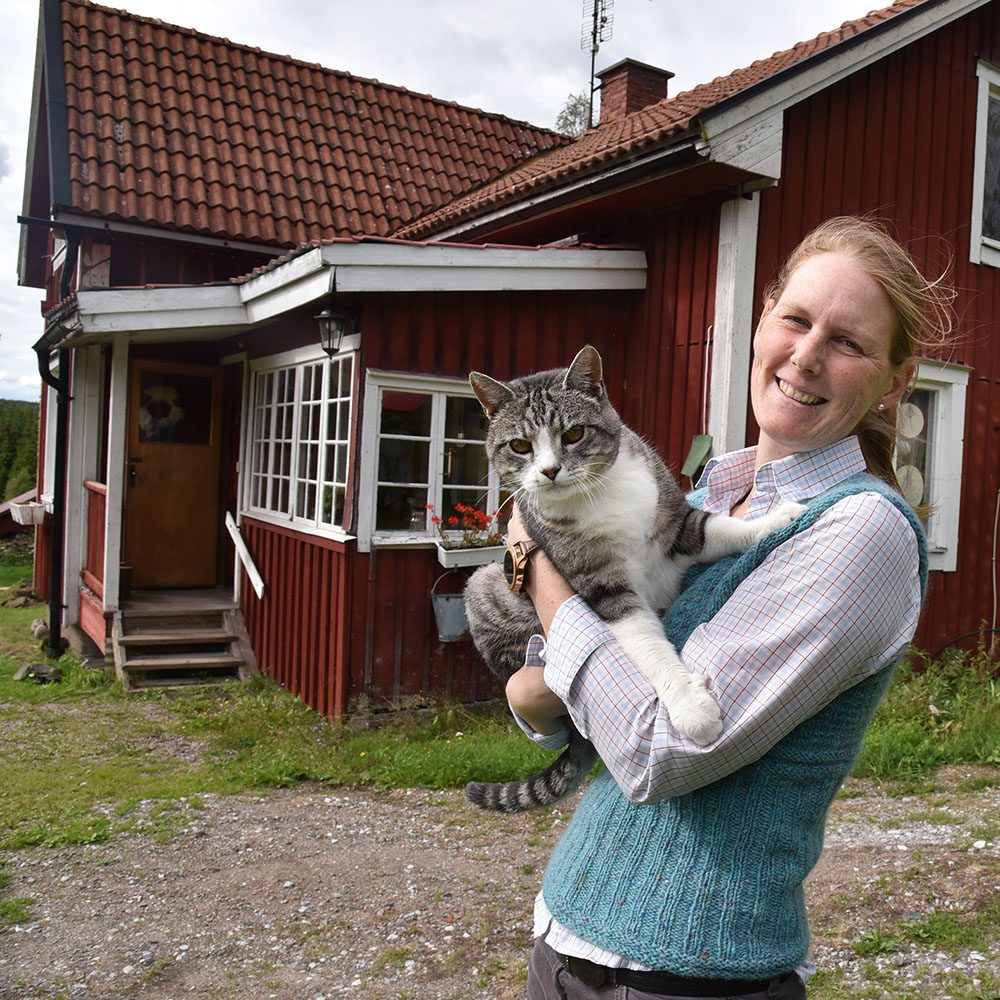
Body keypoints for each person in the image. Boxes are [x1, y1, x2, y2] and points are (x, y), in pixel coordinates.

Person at [503, 216, 955, 1000]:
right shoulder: (708, 495)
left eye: (848, 343)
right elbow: (558, 696)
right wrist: (537, 691)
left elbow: (654, 751)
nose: (807, 355)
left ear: (896, 381)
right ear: (763, 320)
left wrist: (533, 561)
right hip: (567, 934)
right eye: (796, 318)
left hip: (688, 976)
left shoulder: (861, 532)